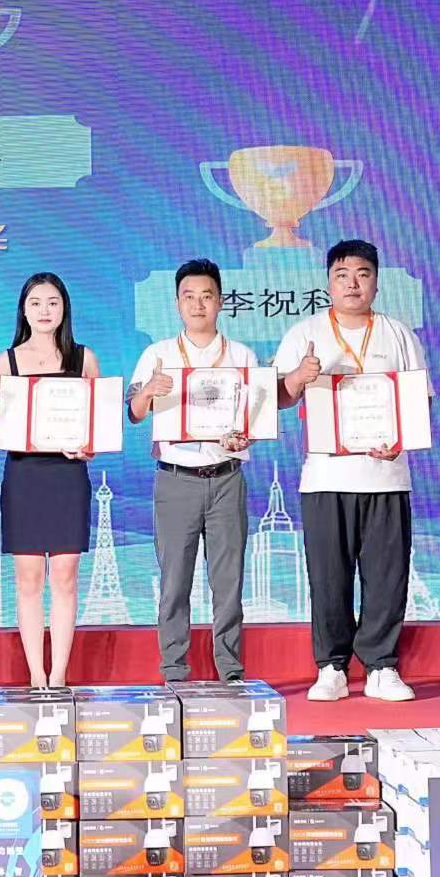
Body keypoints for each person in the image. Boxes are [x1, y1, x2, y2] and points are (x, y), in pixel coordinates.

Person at [273, 241, 427, 704]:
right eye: (342, 275)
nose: (353, 283)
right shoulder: (305, 333)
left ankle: (382, 666)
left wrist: (399, 441)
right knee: (328, 578)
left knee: (387, 578)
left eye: (362, 274)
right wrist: (298, 376)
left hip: (386, 477)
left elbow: (418, 401)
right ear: (328, 283)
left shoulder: (398, 334)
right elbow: (277, 398)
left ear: (376, 281)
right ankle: (332, 667)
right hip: (325, 478)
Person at [127, 259, 257, 684]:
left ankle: (231, 671)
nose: (198, 305)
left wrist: (244, 438)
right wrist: (148, 390)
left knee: (228, 583)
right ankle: (174, 671)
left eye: (206, 296)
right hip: (176, 479)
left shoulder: (241, 355)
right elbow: (134, 413)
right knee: (174, 583)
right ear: (177, 303)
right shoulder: (158, 354)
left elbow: (253, 421)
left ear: (221, 302)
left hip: (226, 477)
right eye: (189, 297)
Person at [0, 274, 99, 688]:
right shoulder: (6, 362)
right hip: (24, 476)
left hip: (68, 477)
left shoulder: (84, 359)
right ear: (23, 311)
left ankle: (59, 674)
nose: (44, 311)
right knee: (28, 579)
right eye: (36, 303)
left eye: (52, 303)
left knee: (65, 576)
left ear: (65, 308)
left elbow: (96, 427)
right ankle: (36, 675)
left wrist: (87, 447)